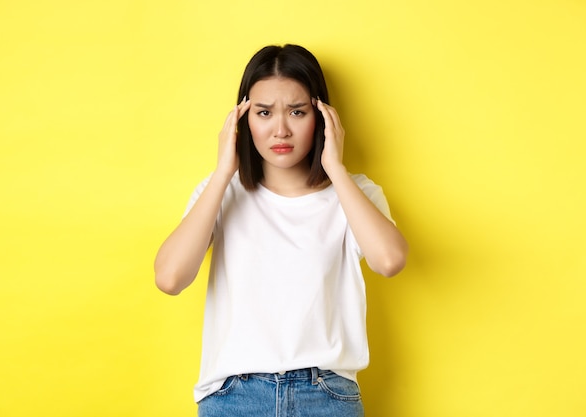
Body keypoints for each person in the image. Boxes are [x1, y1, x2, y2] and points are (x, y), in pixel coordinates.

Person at [154, 44, 408, 417]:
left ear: (322, 115)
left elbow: (389, 261)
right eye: (264, 112)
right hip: (234, 396)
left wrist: (335, 169)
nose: (281, 129)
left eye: (297, 111)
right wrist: (224, 171)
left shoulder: (355, 193)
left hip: (325, 395)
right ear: (243, 118)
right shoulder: (222, 192)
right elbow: (170, 277)